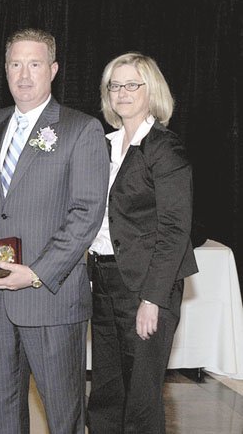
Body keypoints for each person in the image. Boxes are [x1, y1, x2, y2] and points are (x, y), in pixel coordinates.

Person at [0, 28, 109, 433]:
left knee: (64, 416)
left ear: (53, 70)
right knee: (1, 416)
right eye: (15, 64)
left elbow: (86, 213)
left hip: (50, 299)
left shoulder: (81, 129)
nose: (24, 74)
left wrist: (37, 271)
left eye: (35, 64)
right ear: (5, 70)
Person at [87, 52, 198, 433]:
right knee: (105, 392)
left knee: (140, 399)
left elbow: (174, 229)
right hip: (102, 280)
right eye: (114, 85)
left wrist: (153, 298)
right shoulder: (104, 145)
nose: (121, 92)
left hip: (145, 286)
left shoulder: (165, 149)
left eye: (132, 84)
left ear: (152, 90)